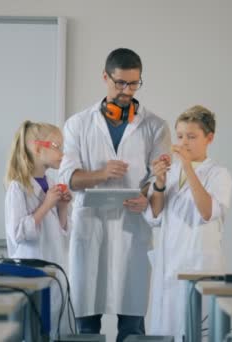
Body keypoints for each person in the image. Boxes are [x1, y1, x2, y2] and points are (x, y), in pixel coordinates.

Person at [58, 48, 171, 342]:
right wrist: (101, 175)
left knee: (133, 325)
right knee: (86, 326)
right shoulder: (77, 124)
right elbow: (68, 177)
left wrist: (146, 194)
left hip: (132, 229)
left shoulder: (155, 126)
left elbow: (156, 177)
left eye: (134, 84)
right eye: (120, 83)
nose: (126, 91)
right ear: (105, 77)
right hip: (89, 229)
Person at [145, 105, 232, 342]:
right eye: (181, 136)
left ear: (209, 138)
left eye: (192, 137)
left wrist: (187, 168)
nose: (184, 142)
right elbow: (154, 215)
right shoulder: (171, 172)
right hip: (169, 268)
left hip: (199, 269)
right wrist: (160, 182)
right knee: (165, 335)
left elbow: (206, 211)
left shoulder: (219, 174)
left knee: (197, 334)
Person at [4, 120, 73, 337]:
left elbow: (60, 232)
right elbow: (19, 233)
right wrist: (47, 205)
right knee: (35, 331)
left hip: (54, 266)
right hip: (31, 272)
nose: (62, 153)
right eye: (57, 146)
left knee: (55, 328)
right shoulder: (18, 187)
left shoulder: (51, 183)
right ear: (37, 147)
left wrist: (62, 207)